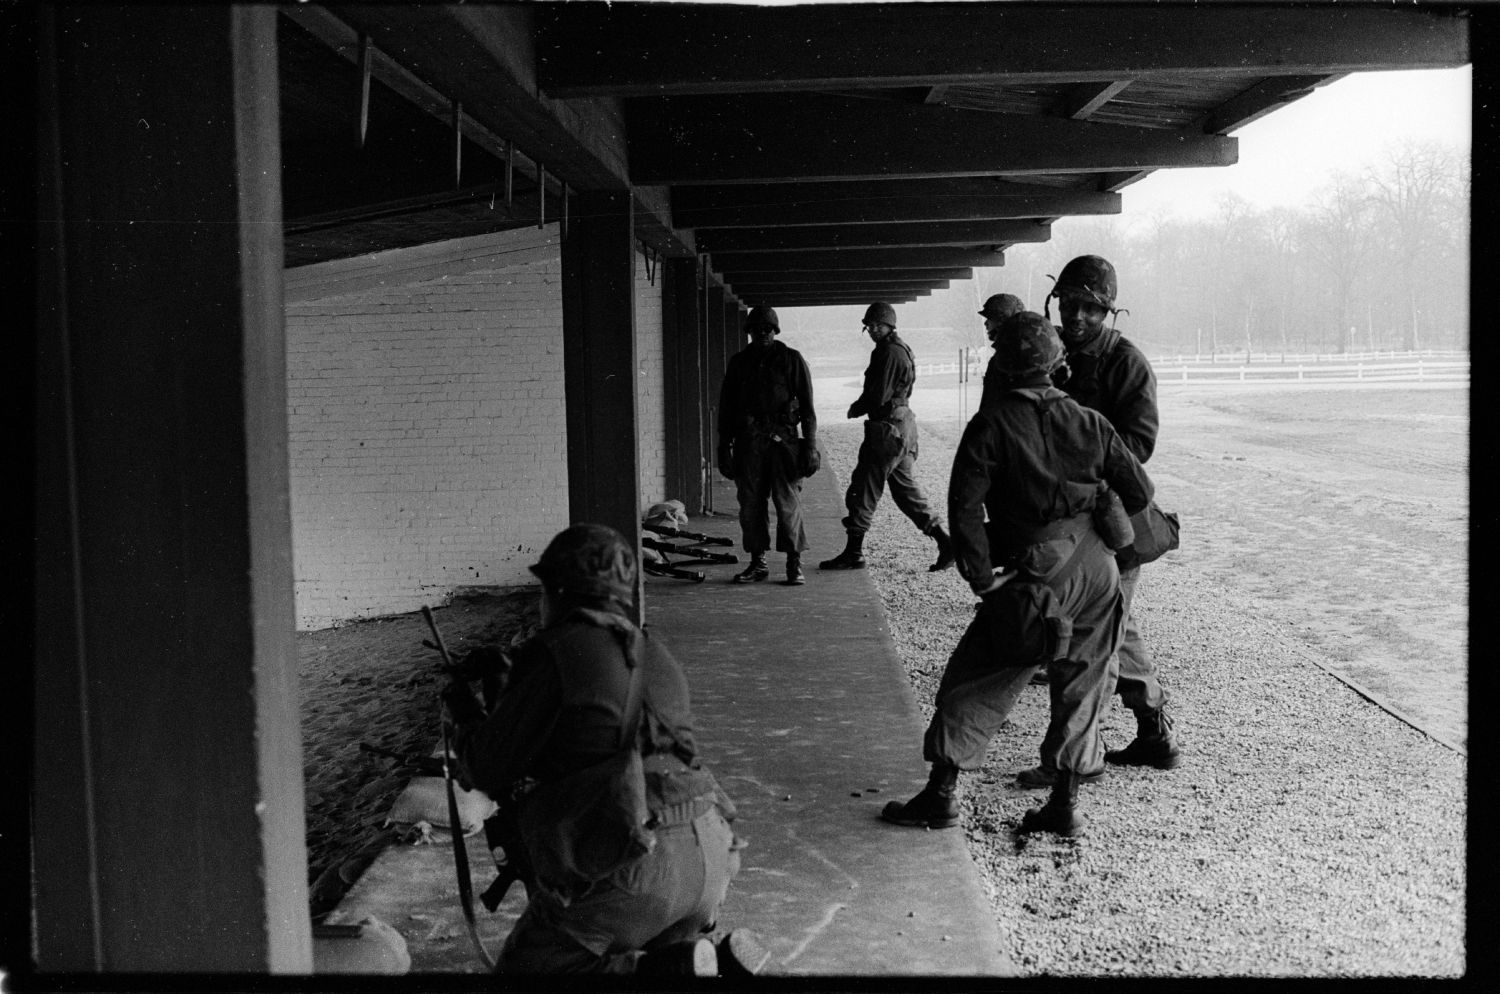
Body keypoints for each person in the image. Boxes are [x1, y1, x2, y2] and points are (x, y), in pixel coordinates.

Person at [442, 524, 770, 976]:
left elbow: (486, 767)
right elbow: (594, 733)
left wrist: (462, 711)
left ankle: (650, 973)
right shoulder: (652, 651)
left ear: (556, 592)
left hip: (636, 869)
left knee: (531, 971)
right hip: (708, 855)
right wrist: (505, 680)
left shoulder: (555, 649)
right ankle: (689, 962)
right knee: (652, 939)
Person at [881, 312, 1153, 837]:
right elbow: (1139, 492)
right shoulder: (1092, 421)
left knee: (982, 674)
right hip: (1098, 571)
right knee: (1085, 681)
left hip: (1033, 572)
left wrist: (982, 580)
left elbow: (963, 508)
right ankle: (1064, 804)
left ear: (1002, 367)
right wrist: (1093, 496)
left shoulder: (993, 424)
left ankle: (941, 794)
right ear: (1057, 364)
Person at [1013, 254, 1182, 788]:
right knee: (1116, 624)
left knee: (1094, 642)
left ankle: (1074, 759)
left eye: (1091, 307)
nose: (1079, 316)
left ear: (1109, 311)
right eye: (1070, 304)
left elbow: (1140, 445)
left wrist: (1080, 461)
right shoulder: (1050, 355)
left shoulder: (1126, 363)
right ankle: (1154, 733)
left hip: (1110, 522)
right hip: (1062, 520)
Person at [819, 301, 954, 572]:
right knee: (907, 493)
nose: (872, 330)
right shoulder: (898, 348)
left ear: (890, 325)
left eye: (877, 325)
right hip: (902, 425)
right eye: (869, 326)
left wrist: (858, 407)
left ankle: (853, 553)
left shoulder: (888, 352)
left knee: (863, 488)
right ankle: (946, 542)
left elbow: (878, 394)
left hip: (886, 429)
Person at [716, 305, 819, 585]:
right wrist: (723, 448)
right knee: (750, 505)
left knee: (787, 503)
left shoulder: (791, 360)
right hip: (749, 443)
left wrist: (809, 446)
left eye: (768, 329)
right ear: (748, 332)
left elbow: (808, 409)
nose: (762, 333)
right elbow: (726, 410)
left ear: (776, 331)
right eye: (756, 329)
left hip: (783, 443)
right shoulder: (739, 363)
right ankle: (757, 563)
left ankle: (793, 563)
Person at [975, 292, 1027, 411]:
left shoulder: (1005, 359)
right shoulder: (1015, 353)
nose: (986, 323)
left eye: (990, 319)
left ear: (1002, 322)